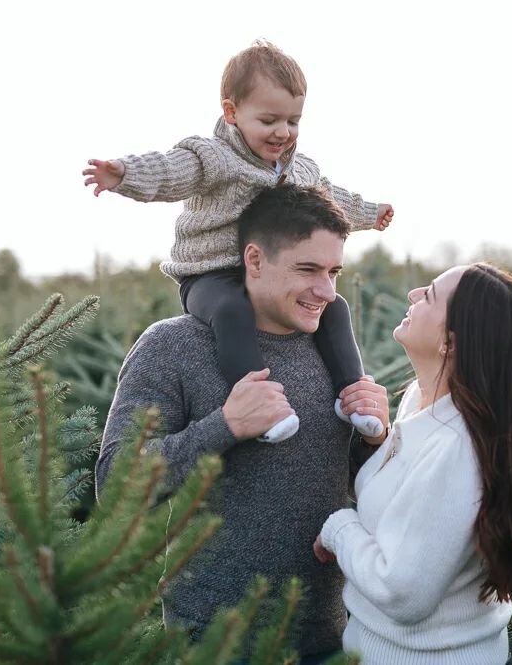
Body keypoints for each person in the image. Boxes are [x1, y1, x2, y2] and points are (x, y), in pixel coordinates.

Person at [95, 184, 390, 662]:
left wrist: (377, 439)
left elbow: (363, 488)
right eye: (308, 269)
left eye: (334, 271)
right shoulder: (172, 347)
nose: (327, 291)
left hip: (329, 638)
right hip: (212, 642)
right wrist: (226, 425)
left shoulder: (332, 350)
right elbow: (115, 485)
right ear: (254, 260)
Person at [82, 39, 394, 444]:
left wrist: (370, 213)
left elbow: (332, 202)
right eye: (269, 121)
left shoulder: (300, 170)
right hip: (210, 277)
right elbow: (170, 171)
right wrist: (124, 174)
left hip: (265, 277)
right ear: (231, 112)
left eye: (293, 121)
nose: (283, 132)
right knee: (231, 311)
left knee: (336, 306)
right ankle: (259, 405)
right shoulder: (213, 158)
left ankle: (354, 398)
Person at [315, 263, 512, 664]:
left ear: (451, 342)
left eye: (428, 296)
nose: (412, 295)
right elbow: (408, 502)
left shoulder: (457, 447)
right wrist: (378, 439)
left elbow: (403, 593)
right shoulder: (421, 402)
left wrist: (339, 528)